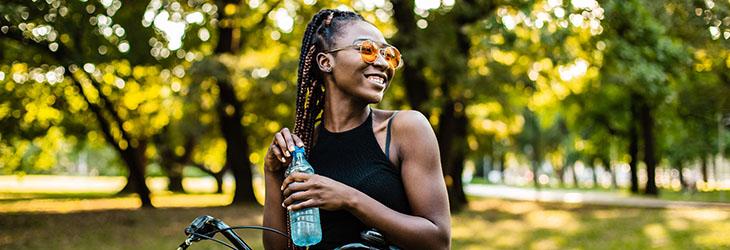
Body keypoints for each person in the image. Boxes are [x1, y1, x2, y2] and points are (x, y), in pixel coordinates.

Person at [262, 9, 450, 250]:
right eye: (367, 50)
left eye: (388, 54)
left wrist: (348, 198)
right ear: (325, 61)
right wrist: (272, 173)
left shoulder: (406, 129)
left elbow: (439, 241)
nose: (382, 63)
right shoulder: (303, 149)